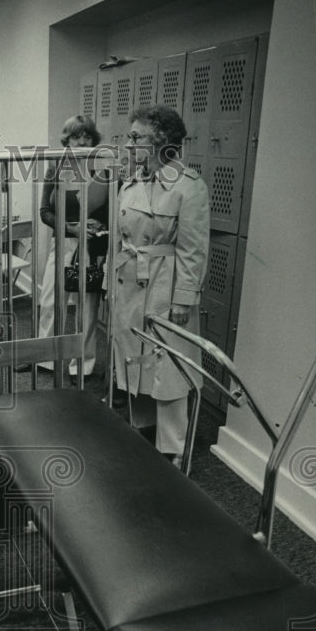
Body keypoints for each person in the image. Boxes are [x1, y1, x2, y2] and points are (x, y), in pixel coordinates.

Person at [111, 104, 210, 465]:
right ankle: (143, 431)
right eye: (129, 136)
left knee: (169, 366)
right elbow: (121, 240)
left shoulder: (189, 187)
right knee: (135, 356)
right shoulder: (132, 181)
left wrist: (184, 299)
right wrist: (112, 282)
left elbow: (193, 250)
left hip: (166, 285)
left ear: (161, 140)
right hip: (131, 281)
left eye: (136, 137)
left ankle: (172, 450)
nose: (128, 143)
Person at [17, 115, 108, 382]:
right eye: (77, 136)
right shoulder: (56, 164)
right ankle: (43, 358)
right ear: (66, 140)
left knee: (87, 307)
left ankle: (83, 363)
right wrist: (71, 228)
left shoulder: (103, 167)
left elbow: (117, 210)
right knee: (49, 302)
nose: (82, 141)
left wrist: (97, 223)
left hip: (91, 246)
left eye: (87, 136)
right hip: (63, 242)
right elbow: (45, 211)